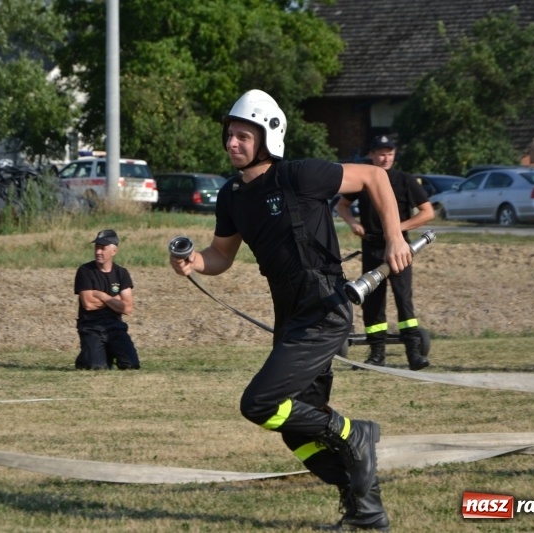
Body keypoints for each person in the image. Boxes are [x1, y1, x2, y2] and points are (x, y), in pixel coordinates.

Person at [169, 89, 412, 531]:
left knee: (260, 403)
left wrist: (395, 237)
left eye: (243, 135)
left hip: (325, 307)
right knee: (297, 432)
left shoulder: (301, 175)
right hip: (289, 313)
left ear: (268, 138)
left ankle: (353, 432)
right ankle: (367, 512)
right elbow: (221, 255)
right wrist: (194, 263)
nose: (232, 143)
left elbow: (375, 180)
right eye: (229, 135)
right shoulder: (231, 197)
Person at [335, 135, 434, 370]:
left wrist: (397, 228)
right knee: (373, 303)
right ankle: (376, 355)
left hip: (400, 249)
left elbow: (427, 212)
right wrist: (352, 223)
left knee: (403, 300)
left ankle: (414, 353)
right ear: (371, 155)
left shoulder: (405, 180)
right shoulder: (364, 180)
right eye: (381, 153)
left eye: (389, 153)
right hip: (372, 247)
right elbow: (341, 205)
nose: (385, 157)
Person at [74, 229, 141, 370]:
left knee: (131, 365)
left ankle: (106, 351)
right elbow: (88, 305)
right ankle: (84, 358)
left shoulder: (121, 273)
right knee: (97, 367)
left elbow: (127, 308)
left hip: (115, 327)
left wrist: (102, 296)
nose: (98, 252)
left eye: (102, 248)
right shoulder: (85, 271)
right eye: (96, 247)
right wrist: (115, 301)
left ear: (114, 251)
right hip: (91, 327)